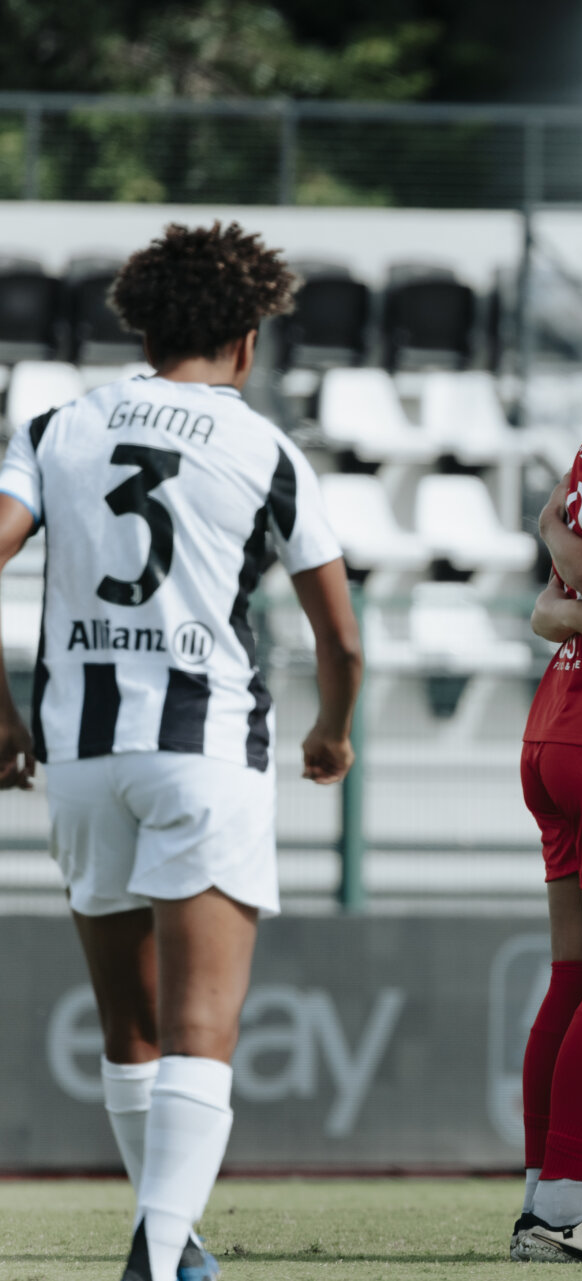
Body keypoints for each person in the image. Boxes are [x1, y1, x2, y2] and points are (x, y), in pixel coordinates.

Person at [0, 222, 360, 1281]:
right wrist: (332, 729)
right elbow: (340, 634)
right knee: (204, 1024)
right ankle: (161, 1258)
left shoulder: (55, 423)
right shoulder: (266, 448)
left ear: (142, 325)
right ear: (248, 340)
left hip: (80, 755)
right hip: (203, 750)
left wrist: (1, 717)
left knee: (132, 1025)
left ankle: (174, 1242)